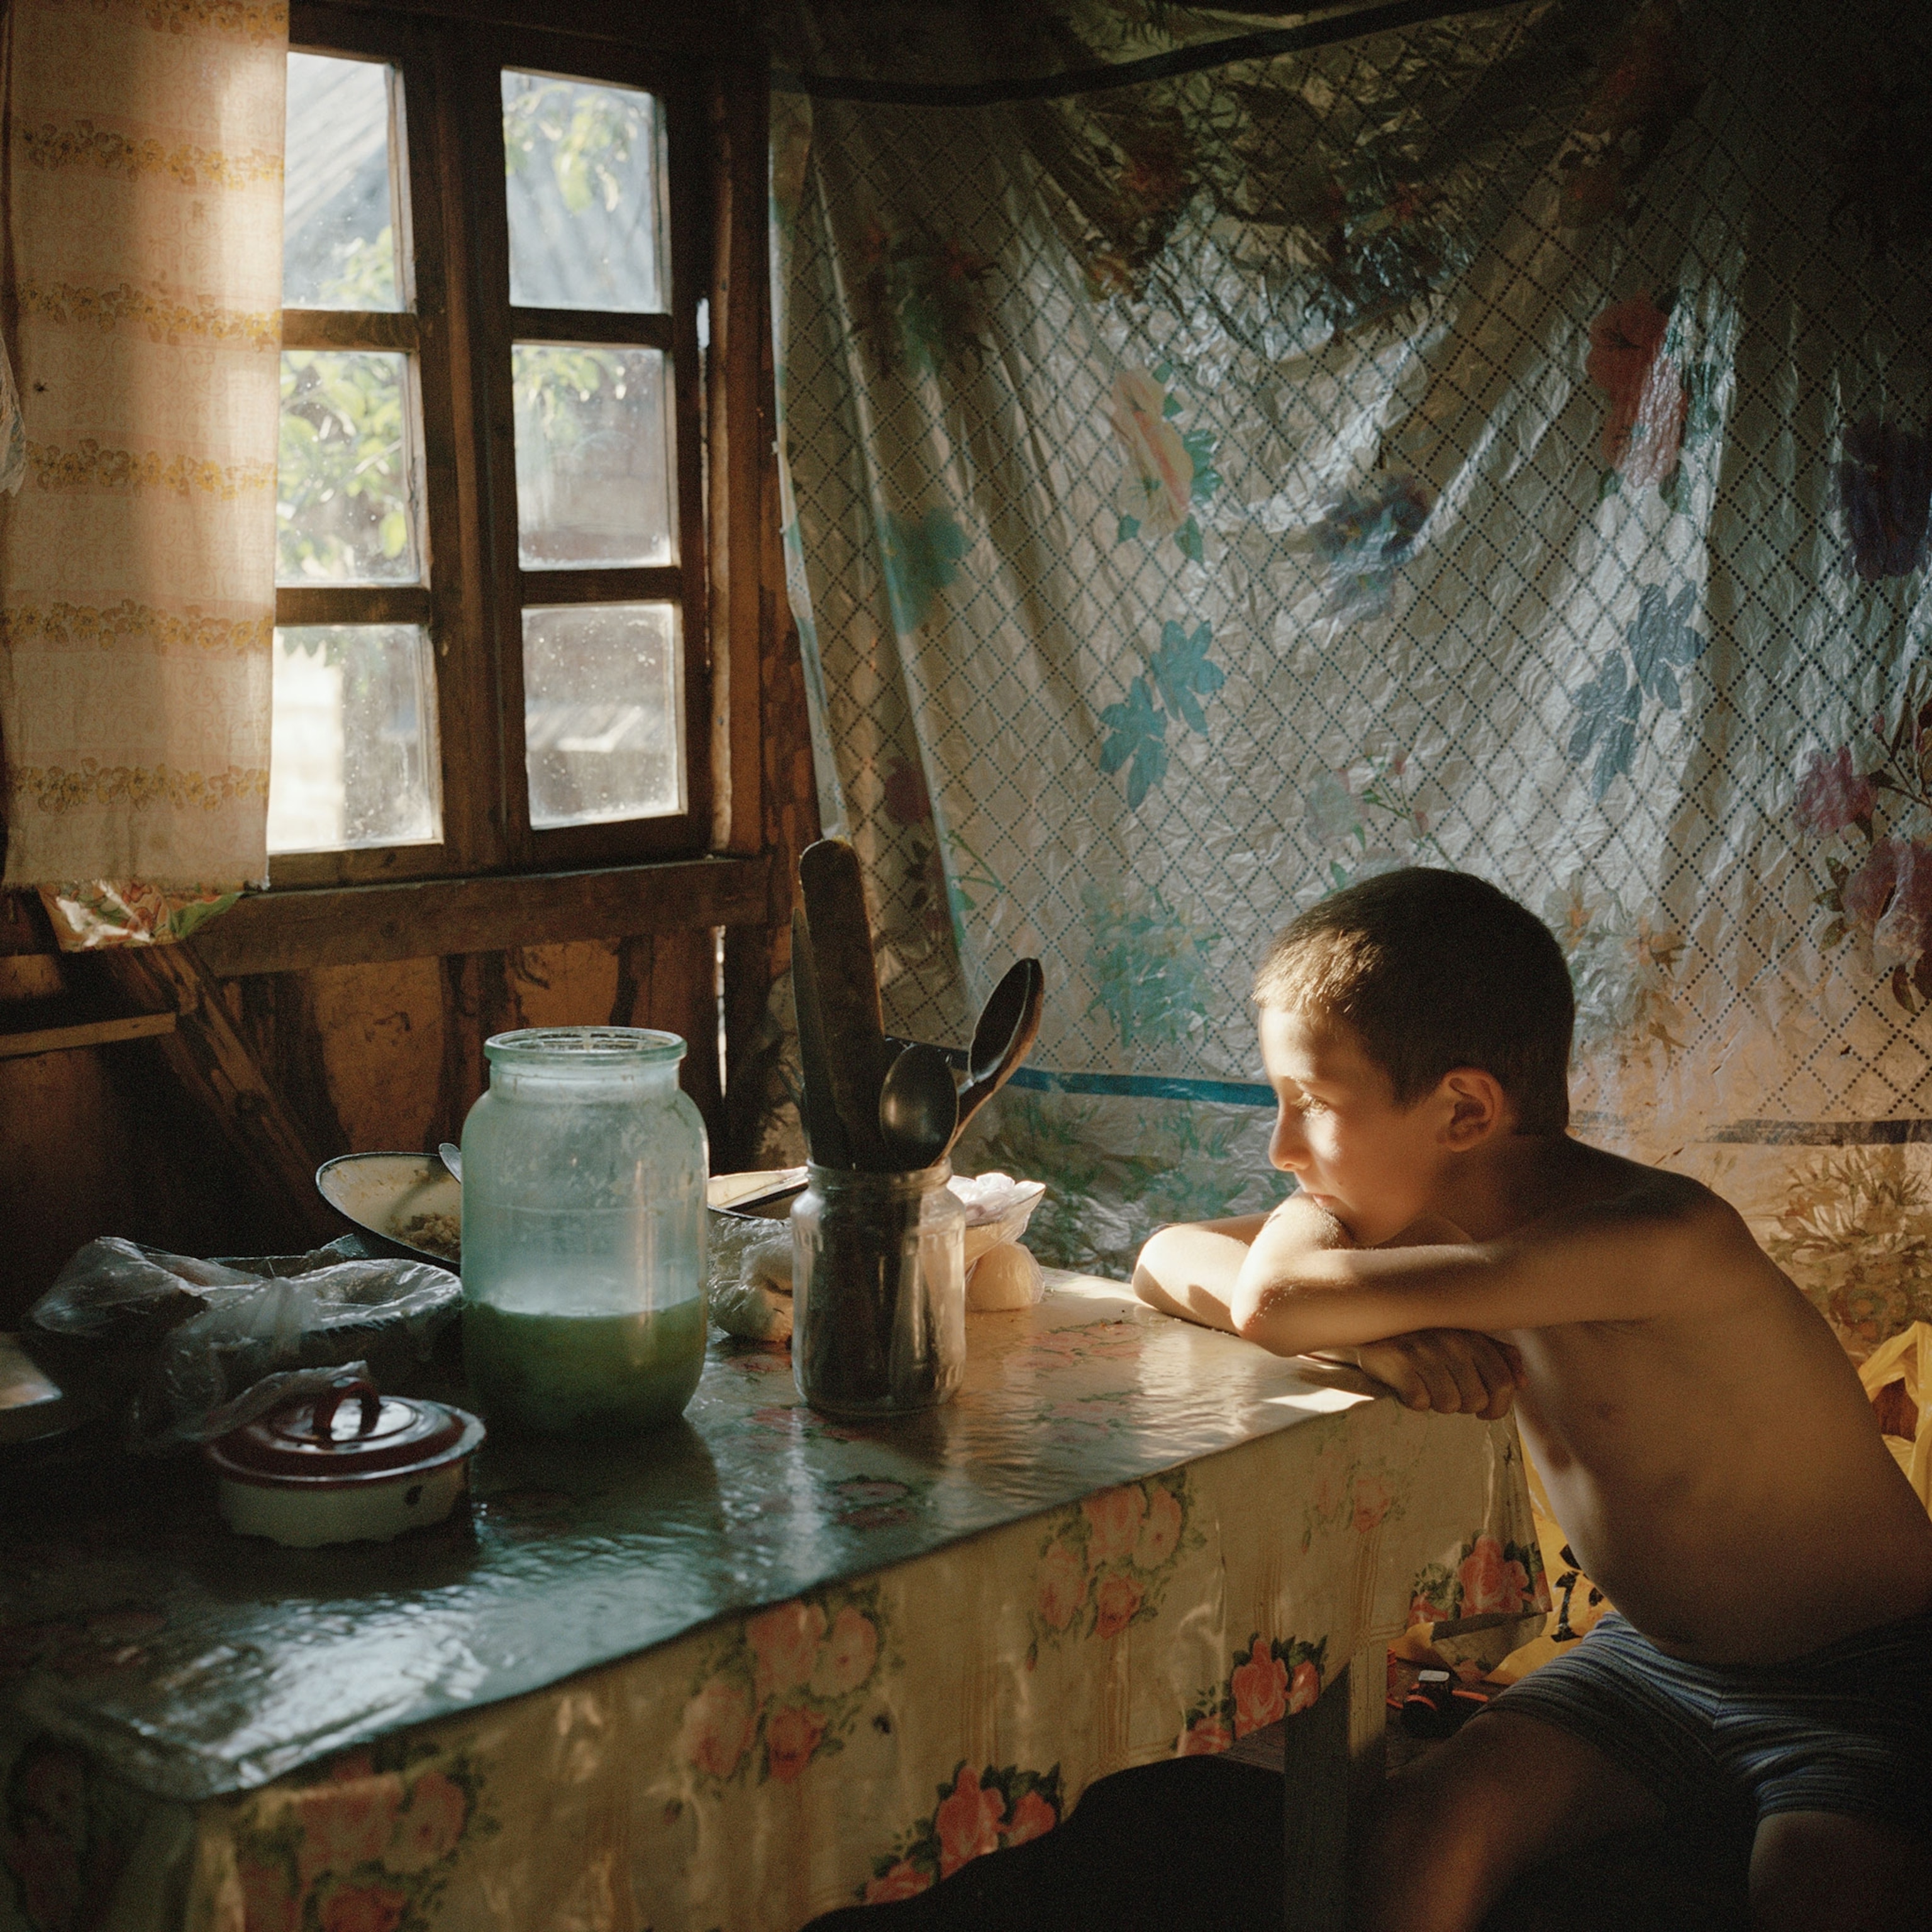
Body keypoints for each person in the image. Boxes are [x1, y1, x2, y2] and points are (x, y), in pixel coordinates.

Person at [1131, 867, 1932, 1932]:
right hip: (1650, 1659)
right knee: (1417, 1837)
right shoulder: (1434, 1229)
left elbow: (1275, 1297)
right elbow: (1162, 1256)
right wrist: (1377, 1346)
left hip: (1870, 1676)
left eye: (1312, 1106)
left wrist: (1328, 1298)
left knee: (1821, 1898)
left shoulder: (1655, 1240)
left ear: (1462, 1108)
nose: (1282, 1152)